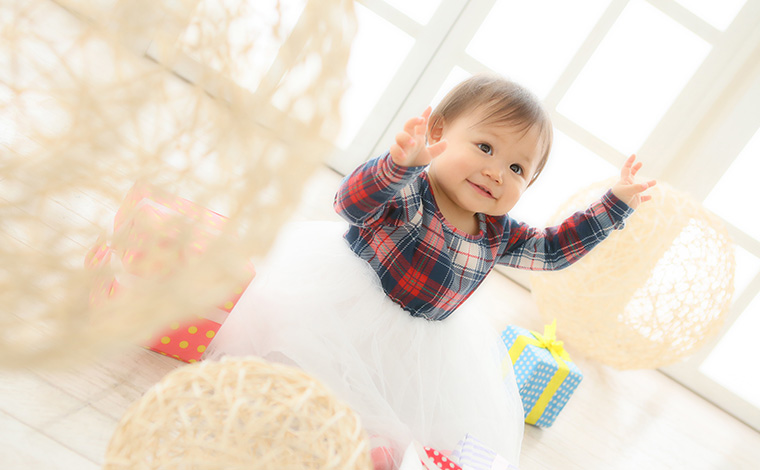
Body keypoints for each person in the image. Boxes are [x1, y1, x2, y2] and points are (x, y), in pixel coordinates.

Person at [205, 74, 656, 468]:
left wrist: (614, 205)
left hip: (421, 342)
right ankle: (282, 413)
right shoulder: (412, 192)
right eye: (485, 147)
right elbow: (349, 203)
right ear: (438, 133)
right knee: (307, 368)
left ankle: (370, 447)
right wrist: (398, 164)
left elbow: (554, 250)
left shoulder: (499, 233)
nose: (496, 172)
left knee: (401, 411)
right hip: (346, 306)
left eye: (517, 168)